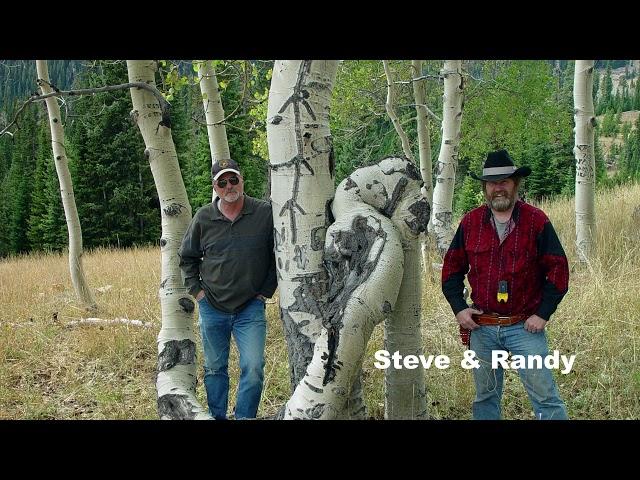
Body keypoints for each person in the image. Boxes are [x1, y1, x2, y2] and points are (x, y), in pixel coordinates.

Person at [441, 149, 569, 420]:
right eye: (492, 183)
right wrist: (459, 309)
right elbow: (451, 270)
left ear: (516, 184)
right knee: (485, 398)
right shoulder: (470, 223)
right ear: (485, 188)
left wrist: (543, 313)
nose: (498, 188)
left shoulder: (537, 221)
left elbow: (558, 270)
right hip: (483, 328)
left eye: (504, 181)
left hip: (525, 327)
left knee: (545, 398)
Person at [178, 159, 277, 420]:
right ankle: (217, 416)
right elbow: (187, 257)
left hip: (250, 308)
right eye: (222, 182)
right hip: (212, 308)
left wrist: (265, 292)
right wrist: (197, 293)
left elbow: (278, 254)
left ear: (242, 180)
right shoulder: (203, 218)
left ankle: (245, 417)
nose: (229, 186)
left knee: (254, 367)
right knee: (214, 368)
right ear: (215, 187)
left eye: (233, 179)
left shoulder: (264, 213)